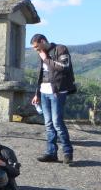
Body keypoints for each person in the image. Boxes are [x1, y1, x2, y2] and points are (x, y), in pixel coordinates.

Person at [30, 33, 76, 164]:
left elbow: (64, 67)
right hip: (44, 92)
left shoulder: (61, 49)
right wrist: (37, 94)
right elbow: (41, 75)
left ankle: (67, 152)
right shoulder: (41, 53)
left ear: (43, 41)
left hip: (58, 92)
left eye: (37, 47)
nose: (36, 50)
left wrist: (46, 59)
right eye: (34, 48)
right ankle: (51, 153)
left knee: (57, 123)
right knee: (48, 124)